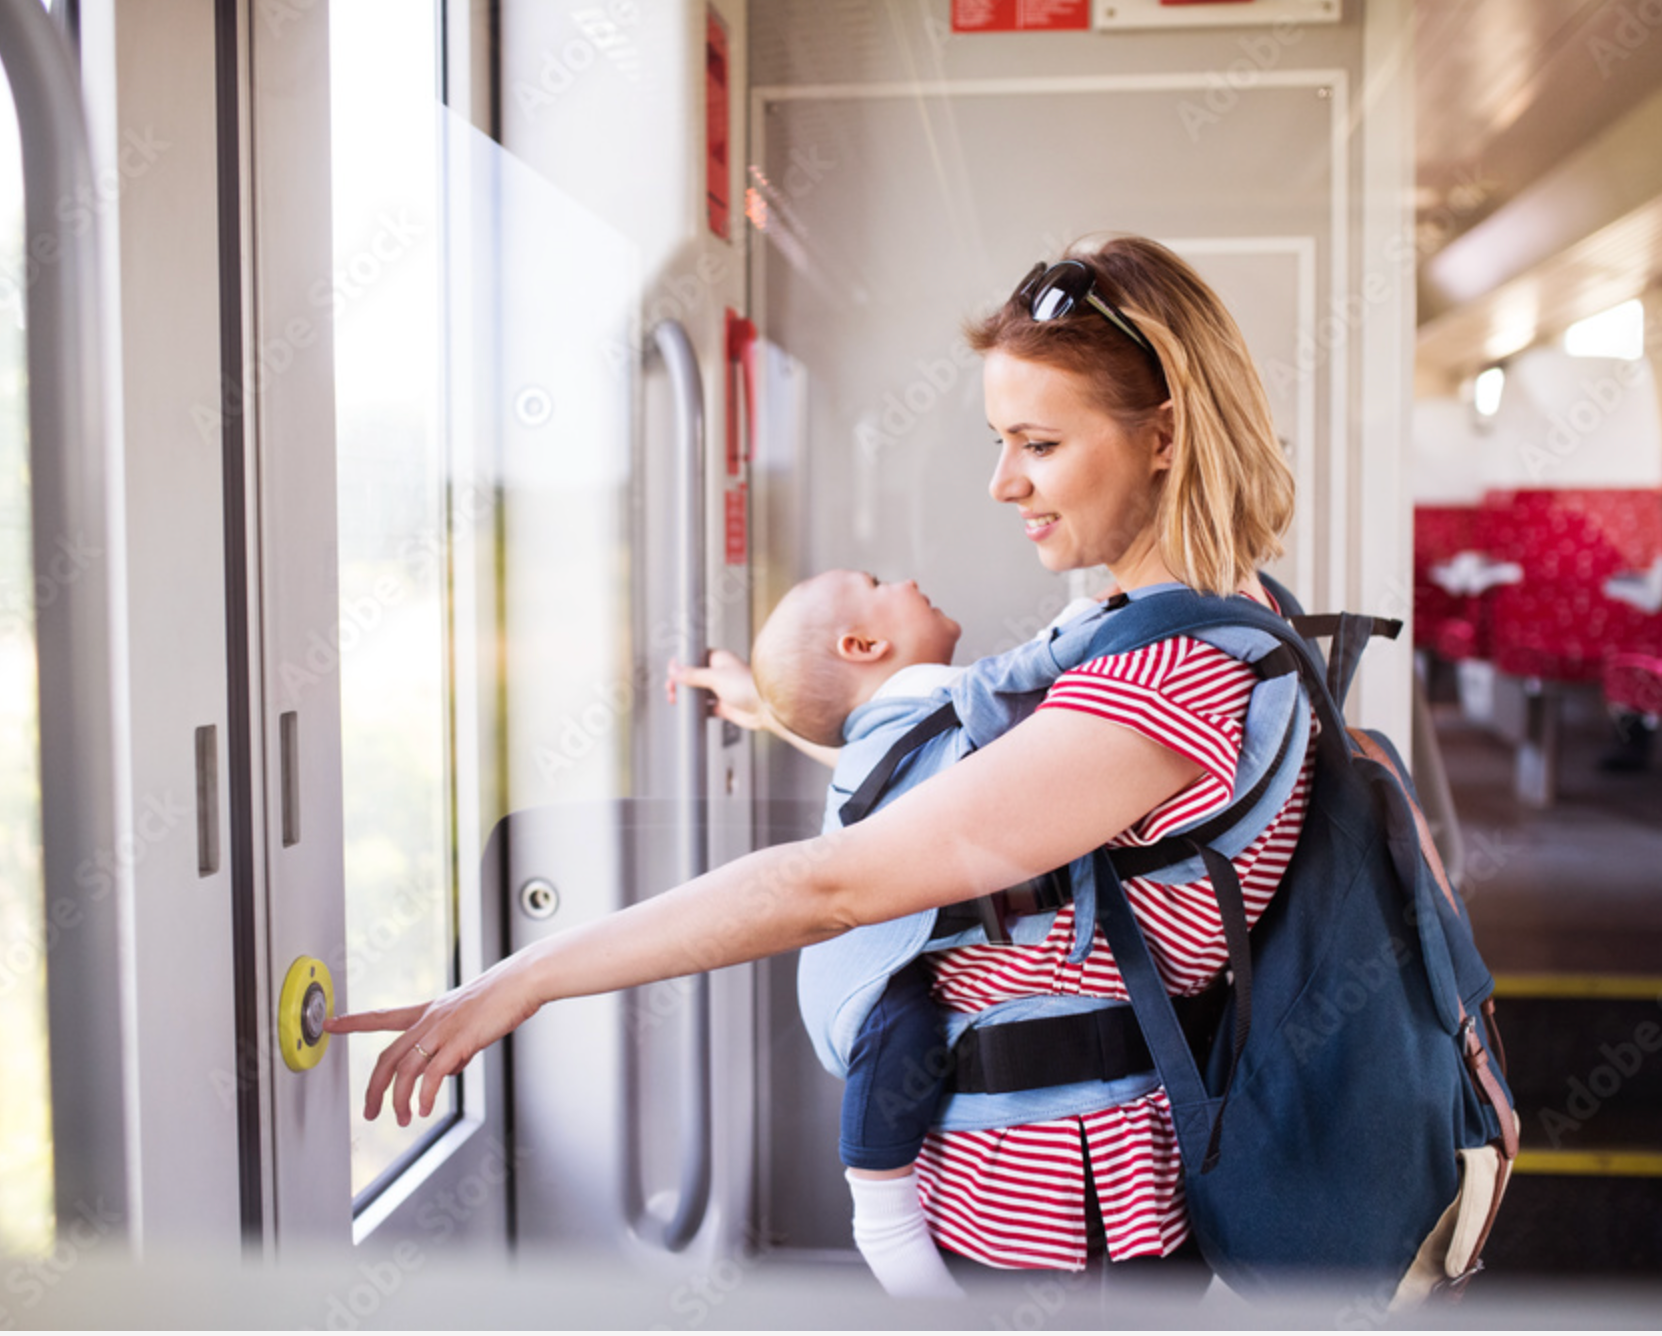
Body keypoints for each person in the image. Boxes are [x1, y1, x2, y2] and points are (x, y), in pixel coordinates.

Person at [327, 234, 1305, 1285]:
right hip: (1058, 1208)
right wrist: (781, 709)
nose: (1001, 483)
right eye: (999, 440)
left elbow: (833, 886)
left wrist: (524, 978)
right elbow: (989, 789)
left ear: (1163, 437)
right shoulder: (1175, 622)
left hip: (1071, 1236)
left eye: (1037, 444)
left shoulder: (1165, 678)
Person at [730, 566, 1104, 1298]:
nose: (902, 577)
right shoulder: (939, 712)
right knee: (885, 1157)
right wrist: (1100, 615)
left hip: (867, 975)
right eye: (874, 581)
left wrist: (761, 704)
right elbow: (1032, 678)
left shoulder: (902, 723)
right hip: (875, 995)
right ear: (864, 642)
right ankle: (901, 1253)